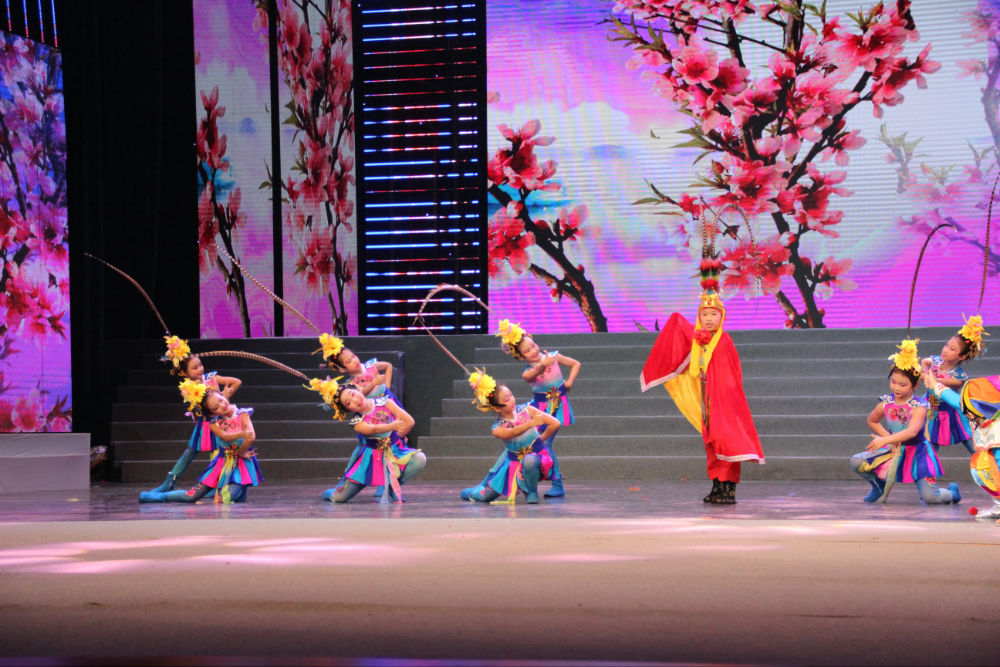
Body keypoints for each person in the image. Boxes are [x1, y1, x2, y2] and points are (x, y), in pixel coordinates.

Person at [640, 257, 764, 504]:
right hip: (707, 398)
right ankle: (717, 485)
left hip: (725, 400)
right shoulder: (698, 340)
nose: (708, 319)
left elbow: (730, 375)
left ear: (722, 316)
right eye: (704, 314)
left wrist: (723, 398)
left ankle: (729, 488)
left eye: (713, 314)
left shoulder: (724, 341)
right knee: (711, 442)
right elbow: (679, 328)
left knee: (727, 441)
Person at [850, 340, 960, 505]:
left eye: (903, 384)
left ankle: (952, 493)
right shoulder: (886, 402)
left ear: (914, 385)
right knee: (857, 461)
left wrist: (886, 440)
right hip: (894, 448)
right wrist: (889, 440)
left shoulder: (919, 406)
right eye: (893, 382)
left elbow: (911, 432)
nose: (896, 387)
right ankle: (879, 486)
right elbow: (872, 420)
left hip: (918, 452)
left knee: (931, 498)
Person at [145, 336, 241, 495]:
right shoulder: (187, 388)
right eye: (194, 368)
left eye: (200, 365)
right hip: (203, 425)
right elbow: (202, 405)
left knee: (219, 454)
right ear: (186, 372)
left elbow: (236, 381)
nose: (200, 369)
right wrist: (219, 395)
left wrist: (226, 396)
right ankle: (169, 483)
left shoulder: (211, 378)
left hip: (218, 423)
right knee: (189, 453)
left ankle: (216, 486)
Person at [494, 319, 579, 498]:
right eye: (527, 351)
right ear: (521, 356)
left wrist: (569, 382)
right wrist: (543, 364)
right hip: (538, 409)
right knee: (522, 443)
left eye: (533, 346)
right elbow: (534, 374)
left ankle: (557, 484)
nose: (533, 351)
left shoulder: (553, 356)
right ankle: (508, 478)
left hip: (556, 407)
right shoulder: (527, 371)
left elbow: (576, 364)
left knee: (544, 444)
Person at [309, 377, 425, 504]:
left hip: (393, 453)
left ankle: (392, 486)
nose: (355, 400)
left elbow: (409, 421)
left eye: (353, 394)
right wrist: (393, 426)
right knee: (339, 498)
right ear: (349, 410)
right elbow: (374, 429)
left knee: (419, 459)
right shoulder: (357, 423)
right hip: (370, 461)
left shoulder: (385, 402)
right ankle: (331, 493)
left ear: (358, 390)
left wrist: (397, 436)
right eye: (348, 403)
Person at [139, 384, 260, 504]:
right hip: (221, 465)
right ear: (212, 413)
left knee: (225, 498)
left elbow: (251, 437)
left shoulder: (243, 414)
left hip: (240, 465)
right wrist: (241, 434)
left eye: (220, 400)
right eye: (216, 407)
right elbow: (225, 436)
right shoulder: (214, 424)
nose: (222, 405)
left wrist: (241, 452)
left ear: (223, 396)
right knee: (192, 496)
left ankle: (238, 492)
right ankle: (158, 496)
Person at [465, 370, 560, 505]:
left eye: (511, 395)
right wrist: (530, 424)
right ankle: (473, 493)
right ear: (497, 408)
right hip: (512, 465)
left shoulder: (528, 410)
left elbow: (555, 423)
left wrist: (538, 441)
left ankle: (531, 492)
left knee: (529, 460)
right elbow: (512, 433)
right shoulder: (497, 428)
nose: (512, 400)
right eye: (506, 399)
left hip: (536, 459)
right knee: (485, 497)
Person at [924, 372, 1000, 521]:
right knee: (981, 466)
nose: (966, 412)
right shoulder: (979, 410)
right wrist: (935, 385)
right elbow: (957, 401)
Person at [920, 317, 985, 454]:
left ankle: (985, 461)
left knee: (968, 438)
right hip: (932, 408)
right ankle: (929, 467)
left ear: (962, 356)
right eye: (946, 345)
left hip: (951, 412)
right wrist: (924, 372)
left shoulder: (958, 376)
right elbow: (925, 361)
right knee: (930, 442)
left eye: (952, 349)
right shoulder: (936, 361)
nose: (945, 350)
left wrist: (928, 377)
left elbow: (939, 383)